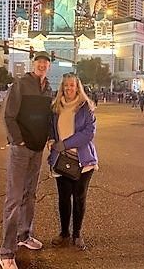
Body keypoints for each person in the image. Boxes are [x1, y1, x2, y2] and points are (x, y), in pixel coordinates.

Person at [0, 51, 53, 269]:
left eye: (45, 62)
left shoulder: (48, 88)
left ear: (49, 66)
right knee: (14, 199)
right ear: (34, 64)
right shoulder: (21, 84)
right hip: (21, 150)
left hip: (37, 150)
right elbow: (8, 116)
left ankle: (24, 235)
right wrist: (18, 140)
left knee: (30, 195)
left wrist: (47, 138)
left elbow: (48, 117)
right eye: (39, 61)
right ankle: (6, 252)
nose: (42, 65)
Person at [47, 73, 99, 251]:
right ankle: (64, 233)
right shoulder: (56, 107)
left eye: (72, 85)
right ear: (62, 87)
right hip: (61, 160)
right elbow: (51, 128)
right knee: (63, 199)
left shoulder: (85, 107)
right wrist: (52, 140)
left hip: (82, 161)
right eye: (66, 85)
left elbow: (88, 133)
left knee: (79, 198)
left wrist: (65, 144)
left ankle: (77, 234)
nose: (69, 88)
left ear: (78, 87)